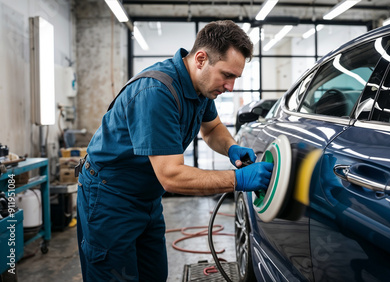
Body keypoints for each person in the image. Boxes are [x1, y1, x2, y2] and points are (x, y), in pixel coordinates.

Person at [76, 20, 274, 281]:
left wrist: (232, 148)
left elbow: (212, 129)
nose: (230, 87)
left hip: (147, 198)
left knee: (154, 274)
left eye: (235, 78)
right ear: (201, 59)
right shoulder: (156, 92)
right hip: (109, 198)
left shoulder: (200, 87)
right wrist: (237, 179)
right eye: (227, 75)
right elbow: (171, 176)